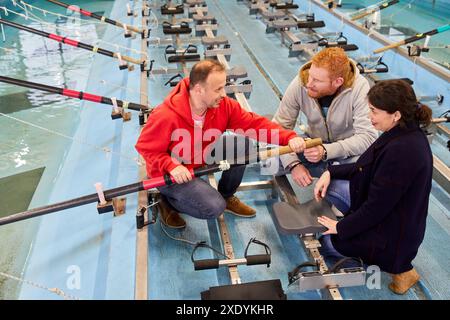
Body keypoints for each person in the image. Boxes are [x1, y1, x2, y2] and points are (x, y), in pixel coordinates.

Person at [135, 59, 305, 228]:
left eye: (224, 86)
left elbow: (255, 124)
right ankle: (166, 202)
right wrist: (171, 165)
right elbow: (146, 149)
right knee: (214, 208)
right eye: (218, 89)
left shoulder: (222, 106)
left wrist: (288, 137)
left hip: (199, 156)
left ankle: (226, 195)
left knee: (242, 145)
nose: (224, 94)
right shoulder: (165, 115)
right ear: (199, 90)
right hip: (170, 173)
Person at [314, 79, 433, 295]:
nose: (370, 117)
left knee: (326, 242)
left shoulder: (403, 152)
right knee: (332, 186)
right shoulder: (399, 132)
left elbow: (376, 209)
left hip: (390, 238)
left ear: (395, 114)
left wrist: (341, 228)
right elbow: (362, 167)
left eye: (374, 111)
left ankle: (400, 270)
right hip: (386, 215)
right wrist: (330, 171)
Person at [271, 47, 377, 212]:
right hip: (311, 146)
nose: (309, 83)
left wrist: (326, 151)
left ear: (337, 82)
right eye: (310, 76)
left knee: (355, 186)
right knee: (269, 162)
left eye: (317, 81)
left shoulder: (360, 88)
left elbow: (368, 137)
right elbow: (280, 126)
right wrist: (293, 164)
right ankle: (325, 172)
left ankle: (333, 178)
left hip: (346, 154)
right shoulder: (302, 81)